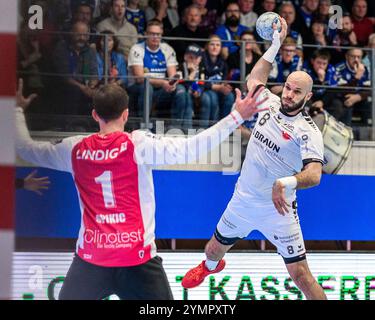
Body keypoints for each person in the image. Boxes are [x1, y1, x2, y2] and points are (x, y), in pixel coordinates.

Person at [15, 77, 268, 300]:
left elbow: (26, 148)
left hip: (91, 260)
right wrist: (237, 116)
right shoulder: (139, 145)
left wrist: (16, 110)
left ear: (94, 115)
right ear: (126, 113)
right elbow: (194, 147)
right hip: (137, 261)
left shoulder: (74, 149)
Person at [182, 18, 328, 300]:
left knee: (301, 277)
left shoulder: (307, 131)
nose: (288, 94)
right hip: (243, 201)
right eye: (287, 87)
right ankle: (210, 267)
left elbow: (314, 174)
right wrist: (274, 45)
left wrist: (286, 181)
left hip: (279, 210)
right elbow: (254, 80)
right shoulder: (269, 103)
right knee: (212, 250)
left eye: (297, 91)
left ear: (307, 96)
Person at [127, 20, 184, 118]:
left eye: (158, 34)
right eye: (152, 34)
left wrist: (172, 84)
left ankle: (176, 128)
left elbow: (172, 76)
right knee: (147, 87)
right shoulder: (136, 49)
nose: (155, 37)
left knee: (180, 90)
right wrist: (162, 82)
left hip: (161, 89)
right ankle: (144, 125)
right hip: (138, 87)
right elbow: (140, 78)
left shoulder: (167, 49)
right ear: (146, 34)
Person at [52, 21, 99, 115]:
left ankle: (93, 125)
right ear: (71, 34)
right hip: (66, 85)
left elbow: (94, 73)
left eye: (84, 35)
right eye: (78, 35)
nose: (81, 38)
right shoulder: (62, 48)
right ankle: (70, 124)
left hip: (85, 85)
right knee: (73, 91)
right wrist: (83, 88)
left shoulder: (90, 51)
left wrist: (92, 85)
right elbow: (64, 76)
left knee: (101, 93)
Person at [199, 35, 235, 127]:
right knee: (212, 97)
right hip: (204, 90)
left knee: (230, 96)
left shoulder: (223, 62)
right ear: (207, 46)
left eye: (218, 45)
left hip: (218, 89)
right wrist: (216, 87)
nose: (215, 47)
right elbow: (199, 81)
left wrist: (225, 86)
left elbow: (224, 79)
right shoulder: (201, 59)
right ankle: (209, 128)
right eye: (212, 44)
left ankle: (224, 127)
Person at [335, 48, 371, 126]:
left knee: (369, 102)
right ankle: (346, 132)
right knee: (346, 101)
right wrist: (357, 77)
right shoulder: (339, 68)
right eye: (353, 56)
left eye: (359, 57)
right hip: (344, 98)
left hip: (360, 98)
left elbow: (369, 89)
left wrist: (358, 97)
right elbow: (342, 91)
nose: (356, 60)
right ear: (347, 56)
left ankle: (369, 131)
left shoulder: (365, 69)